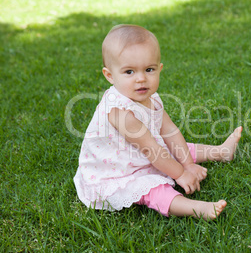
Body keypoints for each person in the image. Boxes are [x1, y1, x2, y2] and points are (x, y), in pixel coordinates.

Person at [73, 24, 242, 220]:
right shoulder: (120, 112)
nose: (141, 79)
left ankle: (221, 152)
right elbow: (153, 151)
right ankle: (197, 208)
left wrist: (187, 163)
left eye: (149, 69)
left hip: (138, 153)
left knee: (178, 149)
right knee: (152, 188)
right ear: (109, 75)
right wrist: (181, 174)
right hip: (118, 172)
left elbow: (169, 131)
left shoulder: (151, 98)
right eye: (129, 72)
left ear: (159, 69)